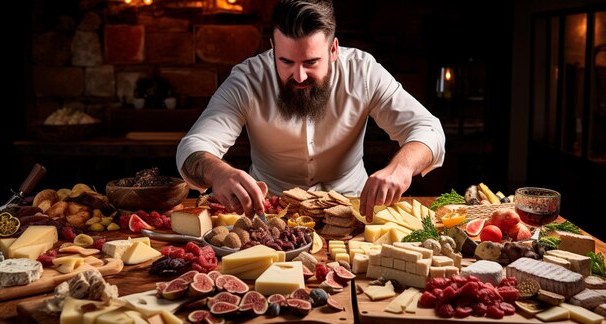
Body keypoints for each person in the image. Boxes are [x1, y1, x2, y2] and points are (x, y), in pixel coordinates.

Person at [176, 0, 445, 222]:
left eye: (311, 62)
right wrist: (219, 173)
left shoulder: (363, 72)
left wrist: (401, 167)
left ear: (333, 49)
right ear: (272, 48)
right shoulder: (247, 79)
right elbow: (192, 148)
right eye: (286, 61)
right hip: (267, 214)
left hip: (353, 211)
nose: (300, 76)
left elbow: (428, 129)